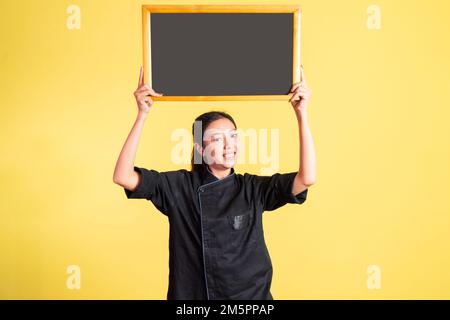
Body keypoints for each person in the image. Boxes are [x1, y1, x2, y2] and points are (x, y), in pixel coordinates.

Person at [113, 66, 316, 300]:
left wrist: (302, 115)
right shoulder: (178, 186)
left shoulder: (252, 188)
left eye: (233, 135)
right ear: (200, 150)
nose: (230, 145)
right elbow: (123, 176)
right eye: (218, 139)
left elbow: (306, 178)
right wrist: (142, 115)